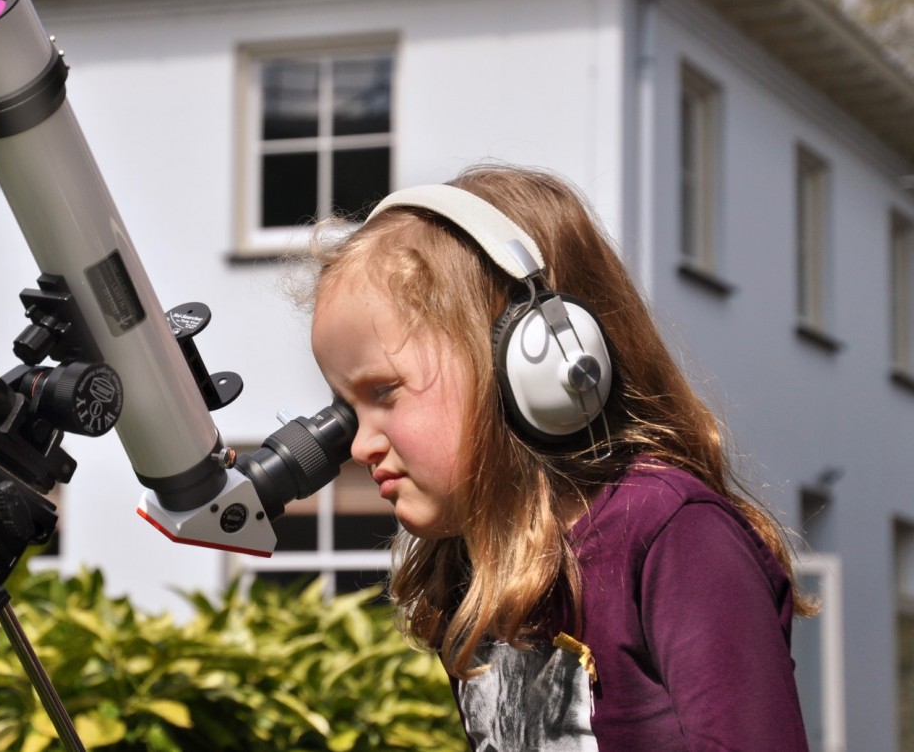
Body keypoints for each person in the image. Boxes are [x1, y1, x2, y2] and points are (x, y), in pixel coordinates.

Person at [307, 164, 812, 751]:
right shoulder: (477, 570)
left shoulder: (674, 536)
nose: (359, 444)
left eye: (383, 392)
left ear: (538, 363)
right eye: (348, 406)